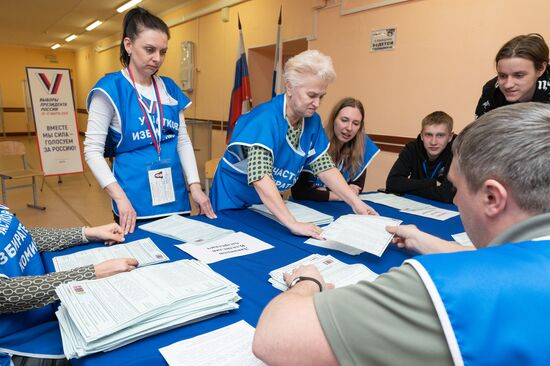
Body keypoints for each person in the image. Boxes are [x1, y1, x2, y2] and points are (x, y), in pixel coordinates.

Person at [253, 102, 550, 365]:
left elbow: (274, 339)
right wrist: (428, 241)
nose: (455, 199)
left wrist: (308, 282)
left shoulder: (445, 288)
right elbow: (501, 260)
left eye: (457, 188)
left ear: (492, 198)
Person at [210, 50, 377, 239]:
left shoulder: (312, 121)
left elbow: (325, 167)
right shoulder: (265, 119)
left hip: (265, 205)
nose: (316, 103)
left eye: (321, 97)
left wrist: (355, 203)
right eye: (311, 95)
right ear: (289, 88)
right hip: (233, 202)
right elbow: (260, 176)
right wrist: (293, 224)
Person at [84, 7, 214, 235]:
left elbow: (182, 141)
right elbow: (92, 151)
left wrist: (195, 186)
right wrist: (120, 198)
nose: (157, 58)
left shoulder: (170, 88)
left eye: (163, 51)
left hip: (175, 195)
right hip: (132, 200)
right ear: (128, 45)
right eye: (149, 49)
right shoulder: (109, 90)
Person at [0, 204, 137, 366]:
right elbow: (4, 295)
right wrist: (92, 273)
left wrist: (86, 233)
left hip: (40, 315)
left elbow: (23, 236)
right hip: (17, 342)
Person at [291, 97, 379, 201]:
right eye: (344, 120)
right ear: (334, 120)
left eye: (356, 123)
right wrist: (341, 195)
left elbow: (356, 188)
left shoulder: (362, 147)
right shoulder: (315, 141)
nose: (349, 128)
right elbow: (299, 191)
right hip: (304, 206)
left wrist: (323, 192)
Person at [385, 111, 456, 203]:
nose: (433, 142)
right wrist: (432, 183)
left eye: (440, 135)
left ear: (450, 137)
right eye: (428, 135)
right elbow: (392, 183)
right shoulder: (412, 148)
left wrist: (407, 188)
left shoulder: (457, 152)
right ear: (422, 135)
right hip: (414, 206)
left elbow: (446, 195)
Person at [475, 33, 550, 118]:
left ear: (541, 69)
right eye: (502, 76)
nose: (508, 85)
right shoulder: (492, 91)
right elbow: (481, 130)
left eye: (519, 75)